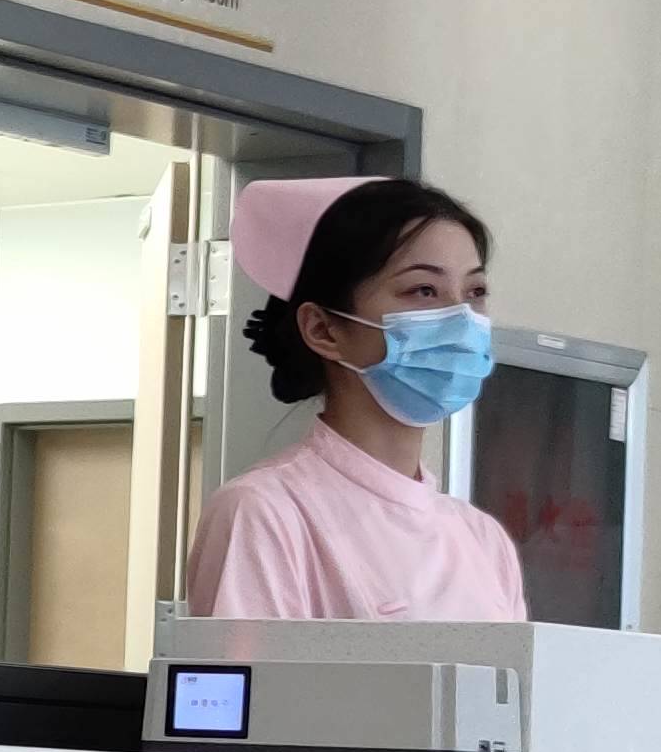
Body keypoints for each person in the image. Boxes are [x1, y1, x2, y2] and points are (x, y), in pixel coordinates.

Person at [184, 172, 525, 624]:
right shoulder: (265, 511)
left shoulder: (483, 540)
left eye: (475, 292)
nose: (462, 320)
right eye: (423, 291)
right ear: (323, 330)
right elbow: (245, 671)